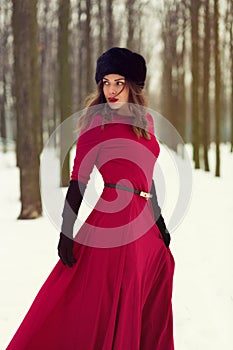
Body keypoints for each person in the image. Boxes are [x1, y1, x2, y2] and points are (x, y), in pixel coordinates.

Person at [7, 47, 175, 350]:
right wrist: (66, 232)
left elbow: (146, 176)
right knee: (105, 298)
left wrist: (160, 221)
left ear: (134, 86)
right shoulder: (95, 125)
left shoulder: (145, 124)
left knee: (145, 299)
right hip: (116, 222)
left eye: (118, 82)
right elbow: (78, 182)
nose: (111, 90)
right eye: (105, 82)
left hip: (145, 225)